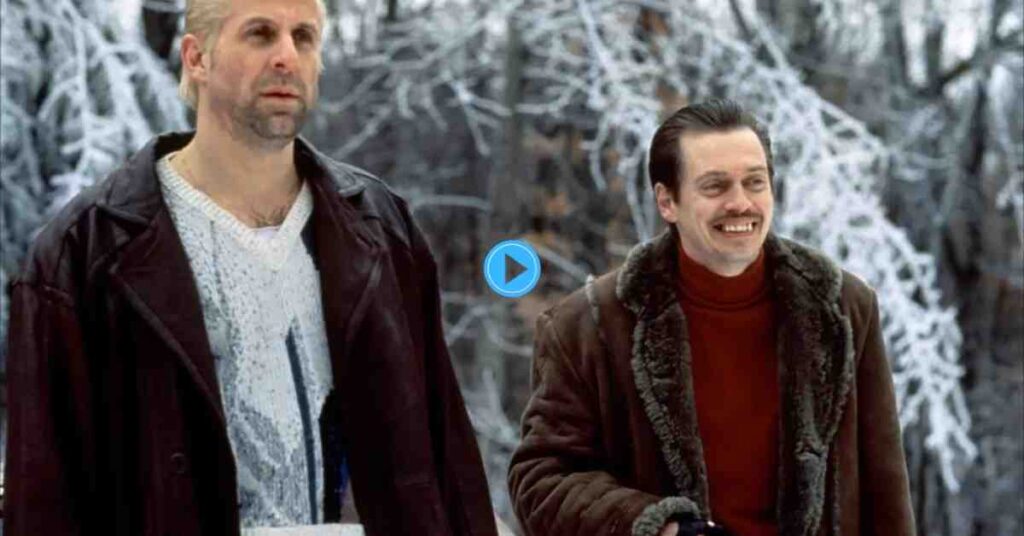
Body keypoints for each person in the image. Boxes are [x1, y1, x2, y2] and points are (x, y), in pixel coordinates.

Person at [3, 0, 498, 534]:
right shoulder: (85, 252)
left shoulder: (381, 228)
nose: (287, 56)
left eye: (303, 37)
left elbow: (449, 460)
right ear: (197, 58)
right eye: (260, 34)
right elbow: (45, 500)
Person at [508, 100, 915, 536]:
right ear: (668, 201)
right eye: (715, 186)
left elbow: (885, 494)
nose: (740, 203)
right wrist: (659, 527)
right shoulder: (587, 327)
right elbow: (541, 482)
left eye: (754, 182)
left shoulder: (843, 308)